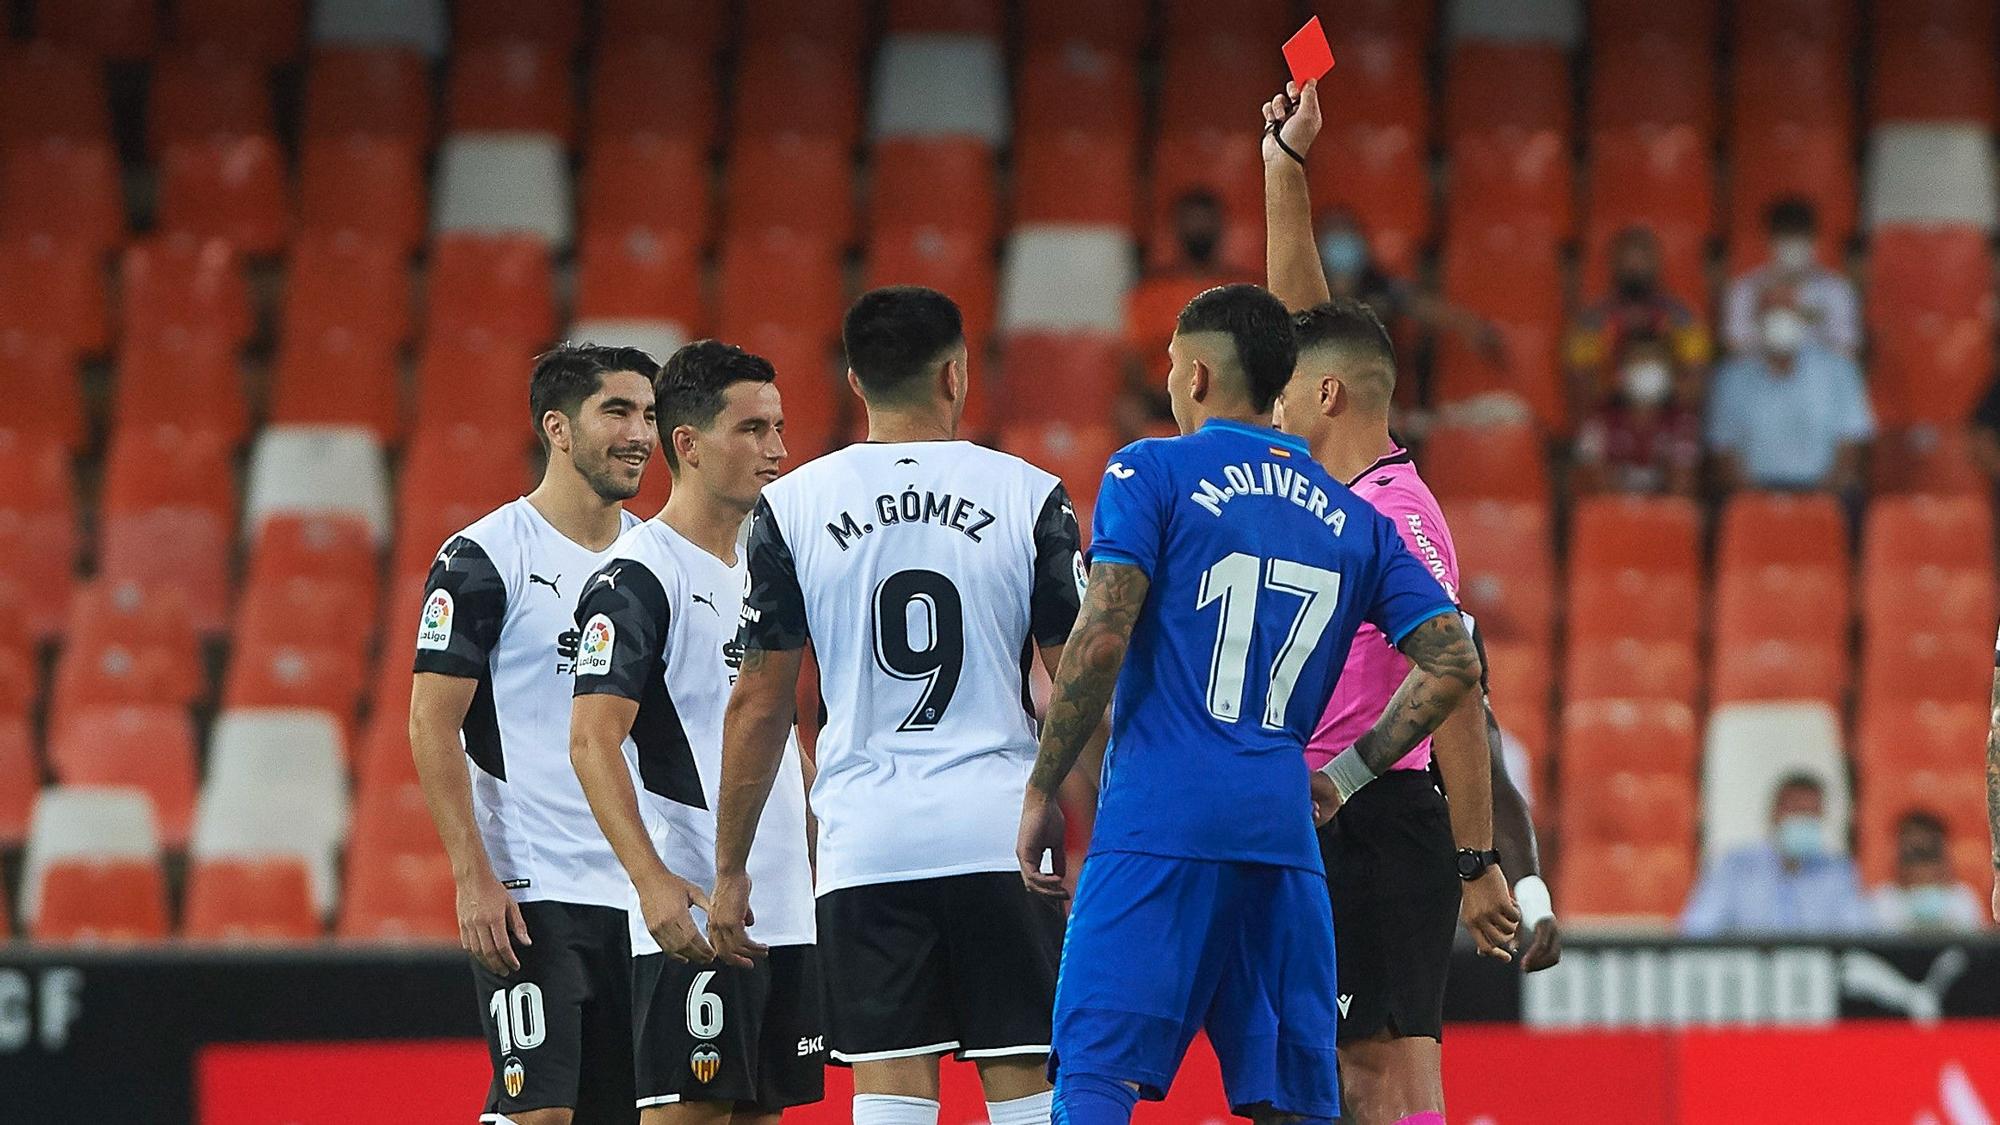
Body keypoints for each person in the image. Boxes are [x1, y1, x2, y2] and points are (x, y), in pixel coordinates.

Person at [1017, 280, 1482, 1125]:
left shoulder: (1149, 468)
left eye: (1169, 365)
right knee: (1298, 1099)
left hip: (1160, 823)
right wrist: (1349, 771)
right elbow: (1454, 662)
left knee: (1094, 1072)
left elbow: (1103, 633)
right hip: (1284, 833)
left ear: (1196, 375)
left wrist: (1044, 785)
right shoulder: (1354, 518)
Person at [709, 286, 1086, 1125]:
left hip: (867, 840)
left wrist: (730, 869)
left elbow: (759, 705)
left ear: (854, 380)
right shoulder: (1030, 494)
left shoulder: (791, 506)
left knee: (890, 1088)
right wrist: (1061, 797)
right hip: (1001, 829)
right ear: (956, 375)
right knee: (1025, 1076)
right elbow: (1080, 677)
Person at [1262, 79, 1553, 1125]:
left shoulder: (1397, 515)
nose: (1274, 394)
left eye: (1290, 384)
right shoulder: (1329, 490)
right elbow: (1302, 315)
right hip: (1313, 812)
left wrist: (1478, 861)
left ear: (1327, 397)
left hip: (1376, 819)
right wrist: (1281, 168)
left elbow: (1455, 682)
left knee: (1380, 1078)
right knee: (1325, 1076)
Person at [567, 341, 823, 1123]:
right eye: (752, 429)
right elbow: (590, 740)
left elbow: (777, 729)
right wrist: (650, 881)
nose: (777, 450)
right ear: (687, 443)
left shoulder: (769, 568)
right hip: (698, 906)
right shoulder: (639, 574)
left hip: (782, 906)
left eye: (779, 428)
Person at [409, 343, 661, 1125]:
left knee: (618, 1113)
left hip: (642, 889)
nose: (641, 434)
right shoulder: (484, 558)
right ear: (558, 427)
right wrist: (472, 874)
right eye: (616, 412)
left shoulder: (660, 559)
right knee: (540, 1112)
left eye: (650, 414)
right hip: (533, 886)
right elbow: (430, 721)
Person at [1706, 291, 1875, 494]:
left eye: (1788, 311)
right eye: (1772, 312)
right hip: (1756, 495)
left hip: (1824, 493)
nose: (1780, 319)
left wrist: (1820, 501)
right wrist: (1756, 502)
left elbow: (1851, 442)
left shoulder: (1839, 369)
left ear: (1803, 319)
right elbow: (1724, 448)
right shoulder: (1732, 376)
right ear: (1757, 321)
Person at [1681, 774, 1872, 936]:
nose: (1803, 820)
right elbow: (1698, 929)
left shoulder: (1838, 871)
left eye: (1811, 813)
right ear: (1774, 814)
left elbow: (1858, 933)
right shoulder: (1735, 867)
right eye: (1796, 811)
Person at [1565, 226, 1710, 414]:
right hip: (1612, 416)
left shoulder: (1680, 317)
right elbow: (1581, 383)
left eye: (1642, 260)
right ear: (1614, 265)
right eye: (1627, 261)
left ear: (1656, 264)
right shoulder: (1592, 321)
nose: (1634, 268)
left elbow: (1695, 379)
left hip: (1666, 415)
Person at [1724, 197, 1860, 358]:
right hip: (1759, 378)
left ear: (1814, 241)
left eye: (1800, 238)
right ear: (1769, 241)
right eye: (1785, 238)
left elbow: (1847, 347)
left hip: (1819, 379)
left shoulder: (1836, 289)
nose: (1793, 246)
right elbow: (1734, 344)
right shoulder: (1745, 288)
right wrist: (1767, 321)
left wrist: (1800, 318)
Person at [1570, 333, 1703, 496]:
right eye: (1639, 360)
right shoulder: (1598, 421)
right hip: (1612, 515)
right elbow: (1595, 483)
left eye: (1654, 361)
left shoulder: (1682, 422)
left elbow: (1682, 488)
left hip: (1662, 516)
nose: (1646, 368)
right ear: (1621, 373)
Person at [1870, 811, 1986, 933]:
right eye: (1911, 857)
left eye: (1928, 855)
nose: (1921, 868)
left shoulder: (1962, 898)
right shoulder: (1882, 899)